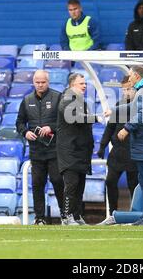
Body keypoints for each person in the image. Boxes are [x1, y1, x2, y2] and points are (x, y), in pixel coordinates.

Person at [106, 65, 143, 225]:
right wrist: (114, 110)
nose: (129, 78)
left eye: (130, 75)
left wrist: (127, 128)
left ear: (136, 75)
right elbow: (134, 107)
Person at [16, 70, 65, 225]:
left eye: (43, 82)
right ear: (33, 82)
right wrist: (26, 133)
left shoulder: (58, 97)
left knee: (58, 181)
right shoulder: (26, 100)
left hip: (54, 149)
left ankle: (65, 215)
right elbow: (19, 123)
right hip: (36, 150)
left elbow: (64, 121)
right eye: (37, 82)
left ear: (48, 82)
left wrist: (51, 127)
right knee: (37, 184)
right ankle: (39, 218)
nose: (40, 85)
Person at [97, 76, 138, 225]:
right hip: (118, 152)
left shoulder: (140, 107)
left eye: (128, 89)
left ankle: (136, 215)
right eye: (123, 89)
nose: (125, 92)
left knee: (133, 185)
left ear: (135, 89)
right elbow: (110, 128)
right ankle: (113, 214)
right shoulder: (119, 105)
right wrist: (102, 146)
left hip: (134, 152)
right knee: (110, 181)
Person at [56, 73, 97, 226]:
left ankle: (76, 215)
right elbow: (75, 118)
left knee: (80, 185)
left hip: (81, 151)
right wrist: (96, 117)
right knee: (71, 184)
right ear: (72, 85)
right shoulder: (66, 100)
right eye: (81, 83)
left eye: (85, 83)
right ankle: (66, 217)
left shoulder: (81, 102)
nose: (84, 86)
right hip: (69, 150)